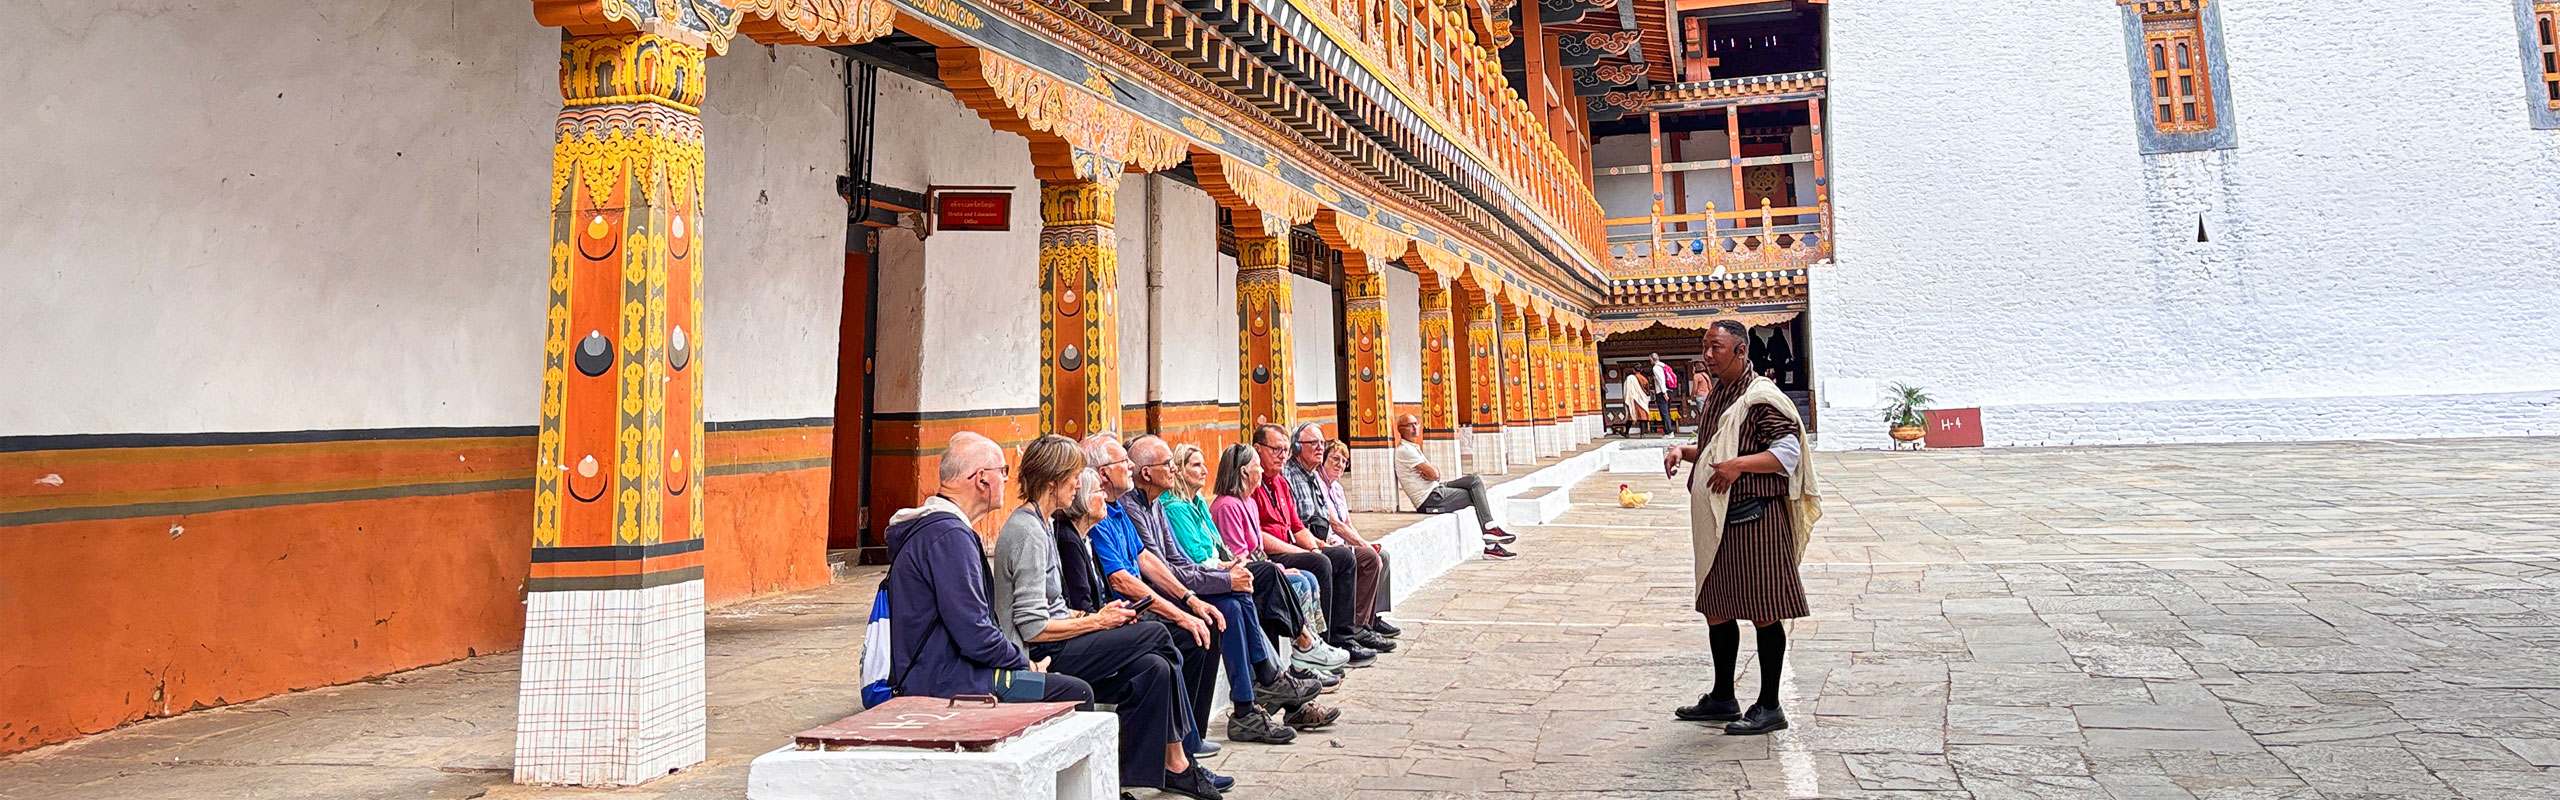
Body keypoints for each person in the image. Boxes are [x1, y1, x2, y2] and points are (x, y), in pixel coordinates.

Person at [988, 436, 1222, 798]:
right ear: (1053, 481)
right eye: (1074, 477)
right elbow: (1033, 628)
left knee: (1154, 669)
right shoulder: (1028, 532)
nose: (1079, 485)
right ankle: (1181, 756)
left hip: (1064, 637)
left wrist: (1093, 615)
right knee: (1160, 637)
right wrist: (1099, 622)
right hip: (1042, 656)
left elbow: (1053, 607)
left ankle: (1126, 776)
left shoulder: (1042, 524)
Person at [1661, 320, 1824, 736]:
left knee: (1764, 612)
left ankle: (1770, 705)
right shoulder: (1719, 395)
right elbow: (1720, 448)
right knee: (1716, 606)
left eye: (1716, 347)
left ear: (1740, 352)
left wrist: (1738, 467)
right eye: (1705, 346)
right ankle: (1722, 697)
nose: (1708, 354)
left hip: (1757, 519)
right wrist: (1685, 450)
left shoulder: (1760, 398)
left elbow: (1788, 452)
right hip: (1720, 523)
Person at [1121, 434, 1331, 739]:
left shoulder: (1156, 506)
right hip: (1159, 598)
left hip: (1185, 584)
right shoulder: (1145, 508)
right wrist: (1223, 577)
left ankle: (1257, 698)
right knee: (1249, 590)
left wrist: (1230, 570)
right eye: (1171, 464)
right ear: (1146, 473)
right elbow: (1165, 571)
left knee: (1241, 597)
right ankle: (1272, 678)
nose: (1176, 470)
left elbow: (1181, 559)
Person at [881, 432, 1095, 706]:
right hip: (950, 680)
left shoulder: (943, 531)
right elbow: (975, 633)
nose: (1006, 479)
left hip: (945, 671)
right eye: (1002, 471)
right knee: (1076, 693)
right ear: (982, 478)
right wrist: (1025, 664)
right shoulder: (948, 537)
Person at [1077, 433, 1225, 758]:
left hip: (1138, 610)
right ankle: (1177, 754)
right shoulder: (1096, 514)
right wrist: (1181, 612)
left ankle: (1191, 738)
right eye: (1123, 463)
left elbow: (1147, 559)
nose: (1130, 466)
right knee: (1172, 640)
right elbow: (1123, 580)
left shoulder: (1117, 508)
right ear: (1102, 473)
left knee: (1207, 622)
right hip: (1123, 614)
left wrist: (1190, 600)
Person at [1211, 443, 1354, 679]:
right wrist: (1279, 568)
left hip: (1258, 564)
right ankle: (1305, 646)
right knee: (1297, 579)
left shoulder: (1247, 502)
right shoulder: (1228, 506)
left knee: (1307, 577)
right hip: (1241, 572)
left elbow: (1259, 547)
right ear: (1245, 472)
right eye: (1256, 466)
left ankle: (1307, 655)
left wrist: (1282, 566)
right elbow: (1239, 556)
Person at [1247, 424, 1379, 665]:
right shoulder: (1253, 486)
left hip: (1293, 545)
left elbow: (1297, 526)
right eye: (1276, 449)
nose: (1282, 456)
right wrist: (1306, 551)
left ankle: (1343, 634)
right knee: (1319, 563)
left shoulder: (1280, 483)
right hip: (1271, 553)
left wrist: (1316, 548)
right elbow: (1260, 536)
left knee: (1342, 558)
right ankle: (1320, 642)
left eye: (1285, 450)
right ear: (1258, 450)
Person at [1278, 424, 1396, 653]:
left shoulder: (1312, 477)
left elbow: (1332, 520)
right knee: (1343, 558)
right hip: (1303, 542)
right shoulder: (1289, 476)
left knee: (1373, 556)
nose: (1319, 448)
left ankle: (1361, 625)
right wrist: (1316, 546)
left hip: (1318, 540)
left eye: (1322, 443)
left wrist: (1357, 542)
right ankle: (1341, 635)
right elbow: (1299, 526)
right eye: (1314, 443)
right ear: (1297, 447)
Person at [1389, 414, 1517, 559]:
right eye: (1409, 425)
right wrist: (1432, 473)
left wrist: (1432, 474)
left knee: (1474, 480)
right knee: (1475, 495)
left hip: (1437, 489)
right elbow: (1434, 474)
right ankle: (1491, 541)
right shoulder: (1405, 450)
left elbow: (1434, 475)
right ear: (1400, 430)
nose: (1414, 428)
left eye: (1416, 424)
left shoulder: (1412, 448)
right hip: (1430, 499)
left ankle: (1490, 533)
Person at [1315, 440, 1400, 632]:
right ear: (1324, 460)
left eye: (1344, 461)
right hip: (1328, 541)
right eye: (1335, 459)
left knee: (1383, 556)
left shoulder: (1337, 488)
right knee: (1370, 558)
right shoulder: (1318, 484)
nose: (1340, 464)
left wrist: (1364, 541)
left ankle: (1372, 617)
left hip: (1342, 539)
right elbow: (1335, 524)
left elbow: (1347, 523)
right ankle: (1358, 624)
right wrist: (1364, 546)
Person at [1650, 353, 1683, 433]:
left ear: (1652, 360)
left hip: (1662, 392)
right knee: (1667, 411)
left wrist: (1664, 393)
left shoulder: (1656, 368)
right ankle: (1668, 430)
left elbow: (1661, 380)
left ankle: (1669, 431)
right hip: (1670, 390)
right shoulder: (1664, 366)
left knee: (1664, 412)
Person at [1622, 370, 1653, 437]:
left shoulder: (1630, 378)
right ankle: (1642, 434)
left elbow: (1627, 389)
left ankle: (1626, 433)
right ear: (1641, 370)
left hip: (1633, 399)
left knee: (1631, 416)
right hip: (1642, 399)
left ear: (1633, 370)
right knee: (1643, 417)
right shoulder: (1643, 378)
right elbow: (1647, 389)